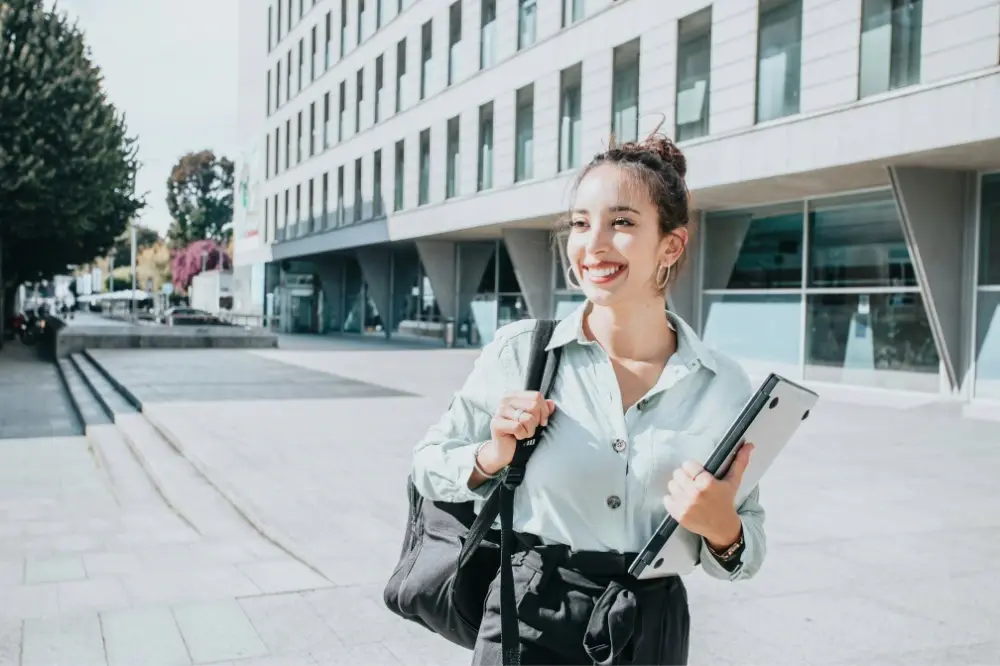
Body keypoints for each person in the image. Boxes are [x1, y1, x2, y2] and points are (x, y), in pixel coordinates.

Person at [411, 127, 765, 666]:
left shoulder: (723, 385)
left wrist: (723, 528)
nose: (592, 244)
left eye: (621, 222)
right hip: (530, 616)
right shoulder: (521, 352)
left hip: (653, 627)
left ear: (671, 244)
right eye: (580, 223)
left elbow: (747, 547)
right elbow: (427, 465)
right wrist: (493, 455)